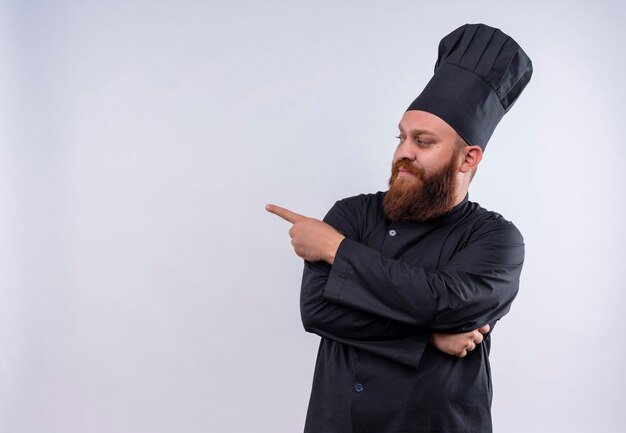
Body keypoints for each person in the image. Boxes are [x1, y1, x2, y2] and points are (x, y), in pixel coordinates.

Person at [266, 23, 532, 433]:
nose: (403, 152)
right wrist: (428, 338)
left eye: (423, 142)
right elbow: (318, 310)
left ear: (468, 158)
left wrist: (337, 251)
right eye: (402, 137)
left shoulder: (496, 240)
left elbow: (448, 302)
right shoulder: (354, 214)